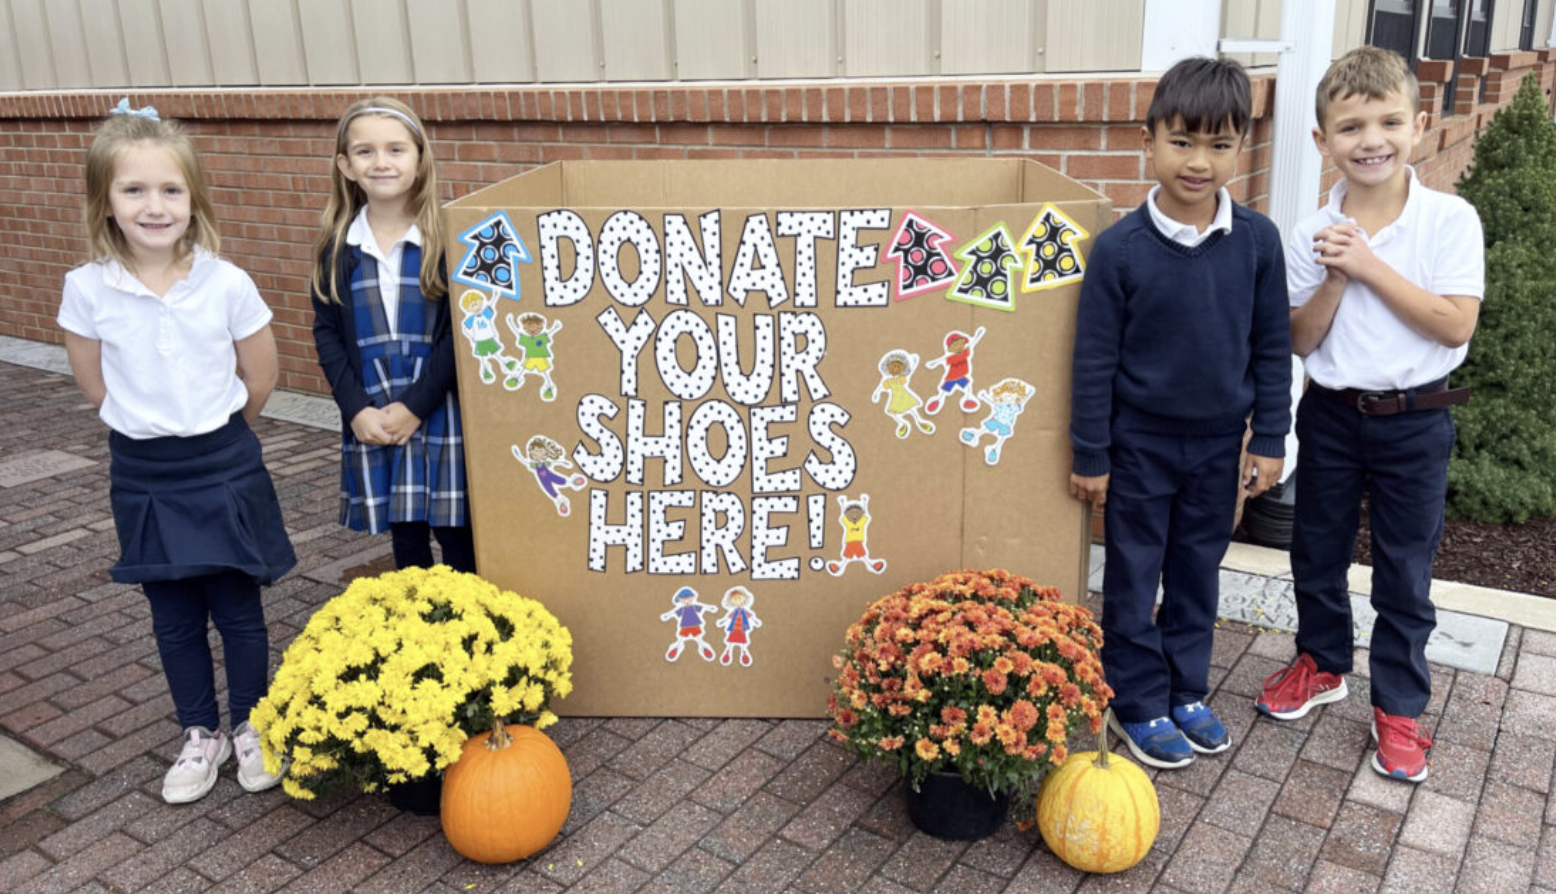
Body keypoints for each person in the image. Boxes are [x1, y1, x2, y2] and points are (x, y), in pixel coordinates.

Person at [57, 103, 297, 804]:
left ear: (194, 200)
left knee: (239, 609)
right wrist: (150, 428)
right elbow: (94, 383)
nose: (154, 206)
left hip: (223, 463)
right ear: (105, 201)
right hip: (145, 473)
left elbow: (261, 377)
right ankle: (201, 733)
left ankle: (252, 723)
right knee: (174, 616)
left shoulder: (225, 281)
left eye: (170, 190)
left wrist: (213, 431)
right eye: (134, 190)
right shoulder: (86, 287)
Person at [1256, 46, 1482, 784]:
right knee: (1314, 553)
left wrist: (1368, 265)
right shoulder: (1308, 233)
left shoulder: (1448, 219)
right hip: (1330, 413)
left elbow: (1452, 326)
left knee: (1403, 570)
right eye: (1351, 127)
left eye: (1388, 121)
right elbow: (1299, 339)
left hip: (1416, 422)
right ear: (1324, 142)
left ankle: (1399, 705)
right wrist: (1331, 275)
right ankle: (1322, 664)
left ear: (1417, 125)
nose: (1371, 140)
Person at [1069, 57, 1292, 769]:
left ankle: (1187, 689)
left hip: (1219, 443)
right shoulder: (1119, 251)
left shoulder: (1256, 241)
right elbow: (1094, 358)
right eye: (1183, 142)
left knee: (1198, 568)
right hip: (1139, 446)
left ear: (1241, 149)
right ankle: (1135, 699)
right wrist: (1091, 453)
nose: (1199, 162)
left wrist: (1273, 437)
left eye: (1219, 145)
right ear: (1149, 141)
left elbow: (1272, 345)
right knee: (1134, 572)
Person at [310, 97, 475, 574]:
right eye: (364, 152)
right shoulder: (337, 247)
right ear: (345, 165)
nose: (381, 162)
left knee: (457, 534)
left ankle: (472, 636)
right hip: (374, 407)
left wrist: (415, 406)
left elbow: (463, 331)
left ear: (420, 158)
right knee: (406, 537)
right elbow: (327, 333)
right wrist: (355, 407)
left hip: (439, 404)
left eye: (396, 150)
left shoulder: (449, 239)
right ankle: (417, 633)